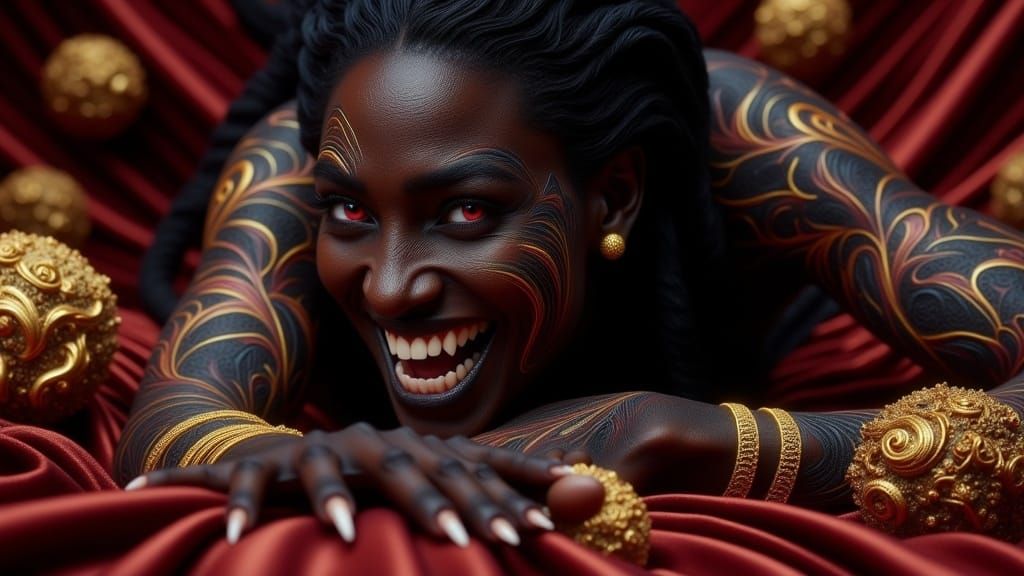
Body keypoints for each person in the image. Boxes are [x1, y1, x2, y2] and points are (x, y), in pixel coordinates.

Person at [116, 0, 1024, 549]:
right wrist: (315, 460)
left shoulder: (736, 130)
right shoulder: (300, 156)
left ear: (616, 194)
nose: (390, 288)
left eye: (466, 211)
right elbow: (170, 422)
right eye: (352, 214)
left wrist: (714, 441)